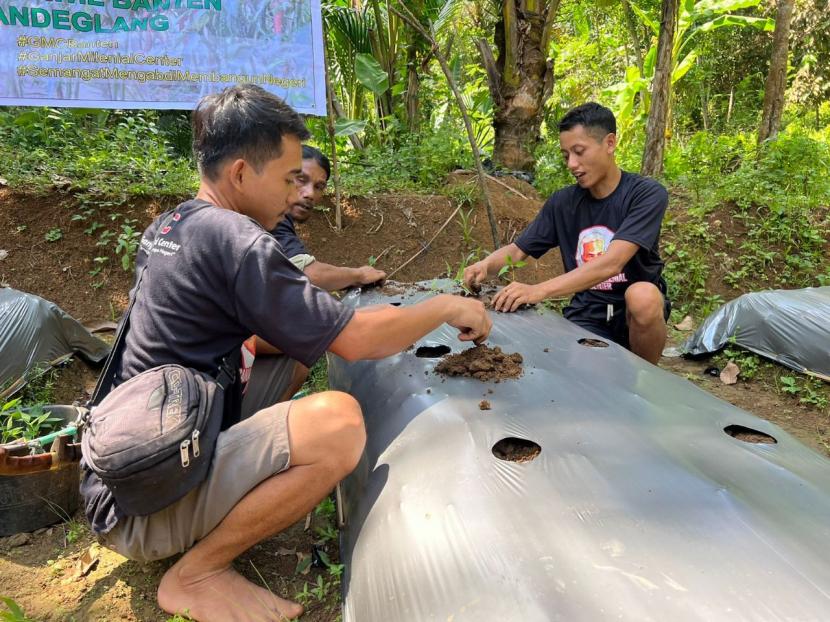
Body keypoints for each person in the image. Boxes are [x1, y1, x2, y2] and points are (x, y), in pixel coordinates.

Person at [80, 84, 491, 622]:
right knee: (338, 424)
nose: (298, 192)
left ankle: (231, 483)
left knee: (299, 353)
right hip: (144, 500)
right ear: (242, 174)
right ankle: (197, 574)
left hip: (133, 460)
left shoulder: (174, 223)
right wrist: (443, 306)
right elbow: (358, 340)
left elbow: (267, 333)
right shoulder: (240, 241)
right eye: (289, 177)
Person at [463, 102, 669, 364]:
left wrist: (539, 290)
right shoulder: (563, 203)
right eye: (565, 155)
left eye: (579, 152)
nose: (572, 164)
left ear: (610, 143)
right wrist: (486, 265)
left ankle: (647, 378)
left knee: (642, 296)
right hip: (588, 311)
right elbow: (518, 250)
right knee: (582, 377)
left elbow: (613, 263)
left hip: (633, 316)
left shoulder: (646, 194)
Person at [272, 144, 386, 290]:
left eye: (319, 186)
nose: (310, 194)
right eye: (301, 179)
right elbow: (308, 274)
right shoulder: (267, 216)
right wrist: (359, 275)